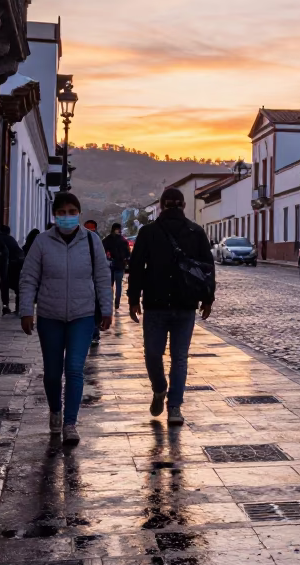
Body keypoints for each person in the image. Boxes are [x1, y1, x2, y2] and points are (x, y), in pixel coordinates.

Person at [17, 192, 112, 444]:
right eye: (62, 212)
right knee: (51, 373)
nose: (67, 216)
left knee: (74, 369)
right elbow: (28, 278)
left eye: (72, 212)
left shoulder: (92, 242)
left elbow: (103, 278)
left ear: (79, 214)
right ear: (54, 215)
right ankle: (55, 411)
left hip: (83, 315)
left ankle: (70, 423)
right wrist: (26, 310)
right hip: (50, 315)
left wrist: (107, 309)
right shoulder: (41, 242)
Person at [128, 188, 215, 427]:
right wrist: (133, 298)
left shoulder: (189, 232)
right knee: (166, 356)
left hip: (172, 304)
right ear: (182, 205)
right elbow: (207, 270)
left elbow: (207, 267)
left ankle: (171, 402)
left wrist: (133, 299)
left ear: (162, 206)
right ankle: (164, 394)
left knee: (166, 356)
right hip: (168, 304)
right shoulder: (155, 232)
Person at [103, 222, 130, 311]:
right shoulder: (123, 240)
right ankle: (117, 303)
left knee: (109, 286)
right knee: (118, 285)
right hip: (119, 266)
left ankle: (110, 303)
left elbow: (102, 252)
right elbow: (128, 254)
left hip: (109, 266)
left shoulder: (107, 240)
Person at [0, 225, 24, 315]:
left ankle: (6, 307)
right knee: (17, 287)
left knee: (6, 285)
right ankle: (18, 308)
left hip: (11, 265)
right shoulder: (11, 239)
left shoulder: (1, 239)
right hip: (17, 263)